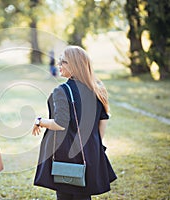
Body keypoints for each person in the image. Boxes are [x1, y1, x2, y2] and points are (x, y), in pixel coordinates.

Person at [32, 45, 117, 200]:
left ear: (74, 64)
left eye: (62, 62)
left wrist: (39, 121)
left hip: (67, 154)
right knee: (84, 196)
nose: (58, 65)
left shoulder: (62, 90)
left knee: (65, 195)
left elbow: (60, 123)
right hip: (91, 152)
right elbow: (102, 123)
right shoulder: (97, 89)